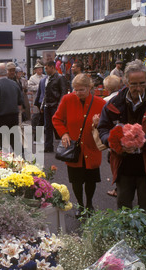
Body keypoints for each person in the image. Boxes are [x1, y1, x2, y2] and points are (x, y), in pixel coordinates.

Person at [98, 59, 146, 214]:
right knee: (123, 210)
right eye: (133, 84)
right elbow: (103, 128)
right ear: (126, 82)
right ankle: (126, 238)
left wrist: (141, 142)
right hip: (123, 166)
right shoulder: (114, 103)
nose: (138, 88)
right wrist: (113, 142)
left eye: (142, 83)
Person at [52, 74, 106, 216]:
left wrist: (98, 124)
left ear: (90, 88)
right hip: (73, 148)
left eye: (81, 90)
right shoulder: (67, 100)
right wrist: (64, 133)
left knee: (90, 180)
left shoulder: (101, 103)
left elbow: (108, 125)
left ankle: (89, 204)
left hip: (91, 148)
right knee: (76, 180)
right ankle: (80, 205)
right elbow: (56, 119)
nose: (77, 93)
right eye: (75, 89)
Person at [0, 63, 24, 153]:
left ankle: (2, 163)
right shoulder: (14, 84)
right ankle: (22, 161)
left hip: (0, 118)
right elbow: (20, 103)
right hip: (13, 117)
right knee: (16, 142)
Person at [101, 74, 123, 198]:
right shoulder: (122, 97)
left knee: (115, 163)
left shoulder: (106, 100)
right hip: (122, 135)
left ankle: (117, 188)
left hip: (112, 138)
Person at [42, 60, 70, 152]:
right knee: (47, 126)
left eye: (46, 68)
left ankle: (64, 145)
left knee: (58, 126)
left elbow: (63, 92)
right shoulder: (48, 78)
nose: (45, 70)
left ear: (52, 67)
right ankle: (48, 146)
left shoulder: (60, 78)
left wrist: (60, 106)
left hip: (55, 105)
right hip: (48, 105)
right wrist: (43, 105)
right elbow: (46, 93)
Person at [29, 62, 46, 143]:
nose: (40, 70)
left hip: (44, 99)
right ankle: (34, 129)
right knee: (36, 116)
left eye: (41, 69)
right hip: (37, 98)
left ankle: (42, 133)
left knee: (42, 117)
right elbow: (30, 87)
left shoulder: (45, 77)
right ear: (35, 70)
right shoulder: (32, 78)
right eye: (39, 69)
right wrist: (39, 86)